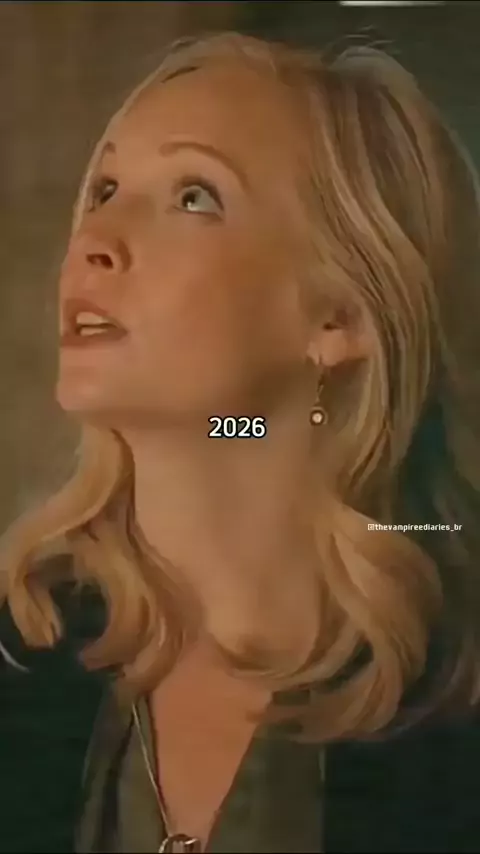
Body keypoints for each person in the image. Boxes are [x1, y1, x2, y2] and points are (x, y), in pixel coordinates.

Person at [1, 30, 480, 854]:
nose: (95, 239)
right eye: (105, 187)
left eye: (195, 196)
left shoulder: (451, 711)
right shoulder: (24, 648)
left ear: (339, 317)